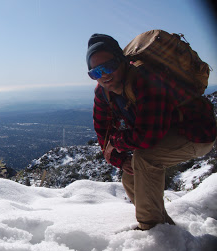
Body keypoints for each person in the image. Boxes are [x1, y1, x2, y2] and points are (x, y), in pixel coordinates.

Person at [86, 33, 216, 230]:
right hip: (165, 132)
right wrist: (120, 160)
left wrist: (117, 141)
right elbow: (103, 135)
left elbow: (147, 137)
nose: (104, 75)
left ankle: (152, 232)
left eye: (109, 66)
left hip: (197, 133)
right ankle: (165, 230)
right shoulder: (103, 92)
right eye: (95, 72)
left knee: (145, 159)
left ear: (121, 61)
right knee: (131, 175)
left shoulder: (145, 78)